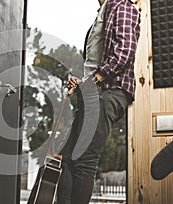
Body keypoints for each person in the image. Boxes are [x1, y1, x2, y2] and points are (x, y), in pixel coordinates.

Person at [56, 0, 141, 203]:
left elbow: (125, 52)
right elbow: (99, 62)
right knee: (67, 158)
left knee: (84, 159)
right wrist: (85, 82)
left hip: (109, 92)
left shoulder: (122, 6)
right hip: (94, 91)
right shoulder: (103, 12)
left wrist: (95, 79)